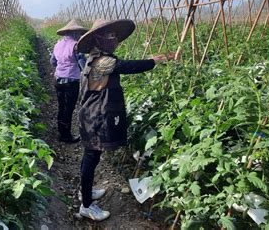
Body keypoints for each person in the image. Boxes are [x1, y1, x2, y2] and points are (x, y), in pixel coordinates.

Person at [76, 19, 175, 221]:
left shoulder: (97, 57)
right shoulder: (102, 61)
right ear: (98, 38)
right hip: (94, 118)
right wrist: (155, 60)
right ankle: (86, 205)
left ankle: (84, 191)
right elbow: (128, 66)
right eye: (109, 37)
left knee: (91, 157)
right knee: (91, 157)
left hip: (92, 115)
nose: (113, 40)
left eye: (115, 37)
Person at [50, 19, 88, 143]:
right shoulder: (77, 46)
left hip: (58, 79)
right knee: (69, 108)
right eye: (79, 34)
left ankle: (61, 132)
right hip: (71, 81)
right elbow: (84, 66)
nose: (80, 36)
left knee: (61, 106)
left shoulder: (57, 44)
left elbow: (53, 62)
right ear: (76, 33)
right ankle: (66, 136)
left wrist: (62, 64)